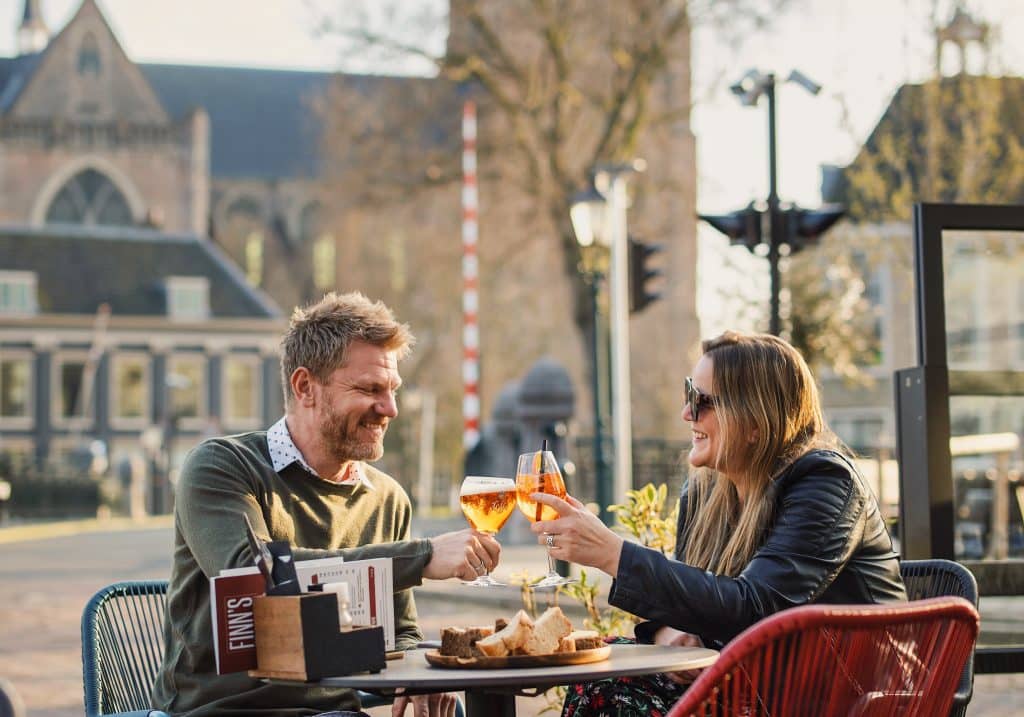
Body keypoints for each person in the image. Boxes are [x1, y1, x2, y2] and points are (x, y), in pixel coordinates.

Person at [153, 292, 500, 717]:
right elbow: (253, 576)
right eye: (370, 389)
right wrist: (422, 557)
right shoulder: (222, 466)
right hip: (223, 711)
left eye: (392, 389)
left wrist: (417, 676)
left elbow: (401, 631)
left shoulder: (387, 498)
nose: (390, 408)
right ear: (305, 387)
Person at [530, 330, 907, 717]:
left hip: (846, 698)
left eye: (702, 400)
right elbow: (694, 599)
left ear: (755, 419)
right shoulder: (705, 492)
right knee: (598, 667)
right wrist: (671, 631)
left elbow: (758, 606)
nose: (686, 413)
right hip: (759, 684)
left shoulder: (825, 482)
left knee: (607, 687)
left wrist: (614, 554)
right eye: (688, 393)